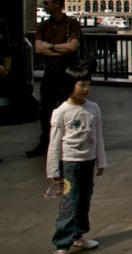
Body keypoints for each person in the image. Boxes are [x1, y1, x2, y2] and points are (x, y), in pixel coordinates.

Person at [46, 65, 107, 254]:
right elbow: (54, 143)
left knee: (84, 200)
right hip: (69, 164)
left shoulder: (93, 108)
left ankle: (78, 235)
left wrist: (101, 161)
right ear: (70, 86)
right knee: (69, 201)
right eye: (82, 85)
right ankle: (62, 243)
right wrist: (53, 170)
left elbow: (98, 136)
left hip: (87, 162)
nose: (86, 89)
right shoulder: (61, 112)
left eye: (88, 84)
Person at [28, 0, 82, 158]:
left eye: (46, 3)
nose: (44, 6)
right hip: (50, 73)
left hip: (66, 74)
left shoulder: (71, 24)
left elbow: (72, 47)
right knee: (46, 109)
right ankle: (46, 142)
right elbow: (37, 48)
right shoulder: (43, 25)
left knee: (68, 108)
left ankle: (68, 142)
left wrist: (49, 47)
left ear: (57, 3)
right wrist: (60, 48)